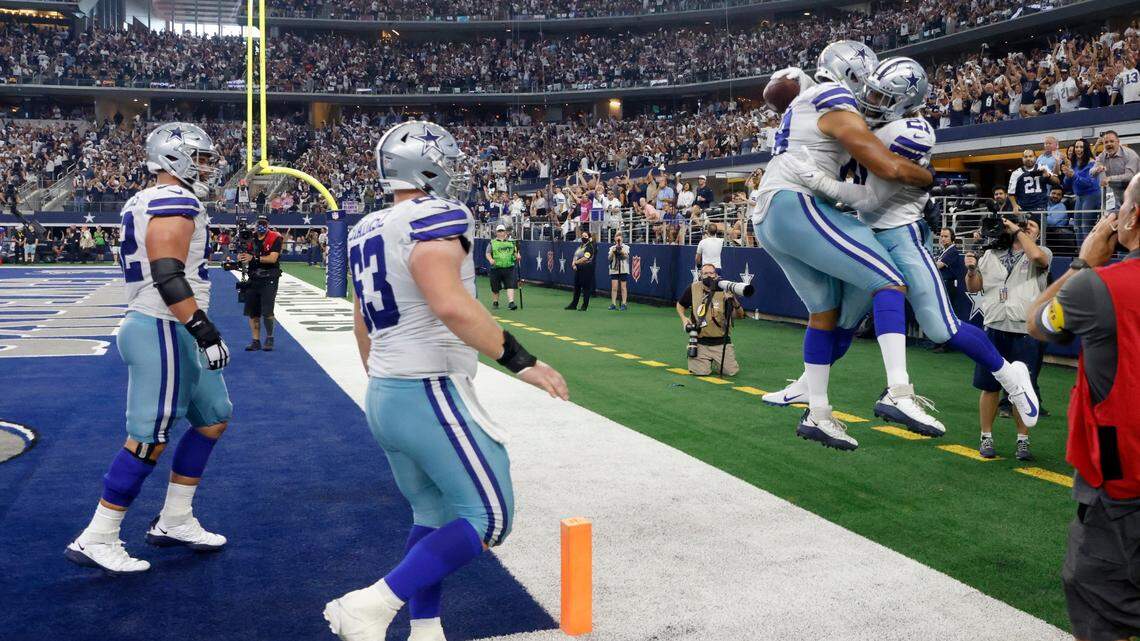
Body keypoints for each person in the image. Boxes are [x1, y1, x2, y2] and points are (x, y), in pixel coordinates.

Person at [327, 119, 568, 641]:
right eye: (449, 160)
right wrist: (523, 360)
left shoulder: (368, 225)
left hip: (390, 389)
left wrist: (383, 382)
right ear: (426, 165)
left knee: (433, 513)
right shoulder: (437, 214)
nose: (456, 172)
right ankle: (371, 605)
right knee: (490, 515)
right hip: (427, 385)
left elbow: (360, 317)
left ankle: (426, 628)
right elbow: (451, 304)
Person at [769, 63, 1038, 444]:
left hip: (901, 234)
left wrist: (817, 182)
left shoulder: (909, 130)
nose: (872, 101)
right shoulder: (867, 120)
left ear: (905, 103)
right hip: (870, 232)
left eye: (882, 98)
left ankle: (1011, 377)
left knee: (940, 327)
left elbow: (872, 195)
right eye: (872, 92)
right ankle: (808, 385)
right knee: (842, 322)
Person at [751, 45, 942, 450]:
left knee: (824, 311)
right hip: (795, 201)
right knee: (889, 279)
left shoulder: (808, 96)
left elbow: (774, 92)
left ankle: (817, 412)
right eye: (866, 82)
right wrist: (926, 176)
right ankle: (899, 391)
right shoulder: (833, 98)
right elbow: (887, 167)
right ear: (851, 74)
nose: (870, 94)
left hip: (769, 213)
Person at [65, 123, 232, 574]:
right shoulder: (175, 200)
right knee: (148, 436)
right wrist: (203, 328)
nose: (205, 165)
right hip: (163, 323)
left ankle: (175, 518)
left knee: (213, 417)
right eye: (198, 157)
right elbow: (167, 271)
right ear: (175, 157)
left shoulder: (145, 198)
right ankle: (98, 535)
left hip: (171, 322)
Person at [1027, 174, 1140, 641]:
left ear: (1131, 218)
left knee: (1100, 600)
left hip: (1123, 485)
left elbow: (1037, 323)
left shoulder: (1099, 288)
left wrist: (1082, 264)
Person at [964, 217, 1052, 460]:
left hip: (1025, 330)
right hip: (994, 326)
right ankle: (986, 437)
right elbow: (974, 287)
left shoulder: (1042, 251)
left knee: (1022, 388)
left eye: (1030, 227)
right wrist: (971, 269)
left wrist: (1019, 231)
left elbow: (1037, 258)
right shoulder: (990, 254)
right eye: (1022, 226)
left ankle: (1022, 441)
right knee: (989, 386)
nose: (1023, 229)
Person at [676, 263, 745, 375]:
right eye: (705, 273)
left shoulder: (724, 289)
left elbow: (740, 315)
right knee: (700, 372)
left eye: (711, 273)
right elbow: (680, 305)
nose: (709, 276)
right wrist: (684, 318)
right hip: (700, 342)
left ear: (716, 275)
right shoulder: (693, 288)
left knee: (731, 372)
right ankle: (698, 355)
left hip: (721, 342)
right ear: (700, 275)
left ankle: (716, 359)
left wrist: (733, 300)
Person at [238, 216, 283, 352]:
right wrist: (241, 258)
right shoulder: (248, 237)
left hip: (269, 276)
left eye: (264, 224)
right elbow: (243, 256)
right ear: (255, 225)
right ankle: (255, 340)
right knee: (253, 312)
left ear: (268, 224)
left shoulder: (275, 237)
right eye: (259, 223)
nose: (261, 226)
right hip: (253, 276)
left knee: (268, 311)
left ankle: (269, 337)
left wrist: (254, 258)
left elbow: (273, 258)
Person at [1061, 137, 1102, 239]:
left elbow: (1089, 183)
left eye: (1081, 147)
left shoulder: (1092, 163)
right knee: (1077, 227)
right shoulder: (1073, 163)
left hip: (1091, 195)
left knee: (1086, 227)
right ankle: (1081, 254)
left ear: (1086, 148)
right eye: (1076, 147)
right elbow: (1066, 184)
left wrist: (1074, 175)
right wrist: (1067, 175)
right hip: (1079, 196)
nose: (1078, 149)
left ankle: (1088, 254)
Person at [1093, 131, 1139, 210]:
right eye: (1106, 142)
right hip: (1114, 193)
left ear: (1118, 142)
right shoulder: (1103, 155)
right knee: (1111, 216)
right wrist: (1097, 169)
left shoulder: (1130, 155)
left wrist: (1110, 178)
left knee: (1131, 218)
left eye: (1112, 141)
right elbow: (1092, 172)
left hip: (1135, 191)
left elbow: (1129, 176)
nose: (1109, 144)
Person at [485, 224, 520, 310]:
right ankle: (495, 302)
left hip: (509, 267)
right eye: (499, 231)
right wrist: (490, 260)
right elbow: (488, 253)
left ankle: (511, 302)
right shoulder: (492, 243)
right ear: (496, 233)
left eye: (502, 231)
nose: (501, 233)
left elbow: (515, 253)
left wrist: (518, 256)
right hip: (496, 267)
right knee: (495, 287)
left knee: (510, 285)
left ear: (505, 232)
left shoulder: (511, 243)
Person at [565, 229, 596, 311]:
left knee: (586, 288)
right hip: (578, 269)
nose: (583, 238)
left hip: (586, 269)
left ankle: (584, 306)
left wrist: (575, 263)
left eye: (585, 236)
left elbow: (586, 258)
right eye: (582, 236)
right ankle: (574, 304)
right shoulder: (580, 246)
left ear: (589, 238)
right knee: (577, 287)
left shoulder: (590, 246)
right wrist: (573, 263)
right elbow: (575, 255)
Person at [607, 233, 630, 311]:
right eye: (617, 238)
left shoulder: (626, 247)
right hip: (614, 269)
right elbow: (609, 258)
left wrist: (621, 250)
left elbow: (626, 256)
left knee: (623, 287)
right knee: (614, 287)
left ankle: (624, 303)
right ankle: (613, 304)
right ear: (615, 239)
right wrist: (613, 252)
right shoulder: (612, 248)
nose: (618, 240)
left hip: (623, 269)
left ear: (622, 239)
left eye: (620, 238)